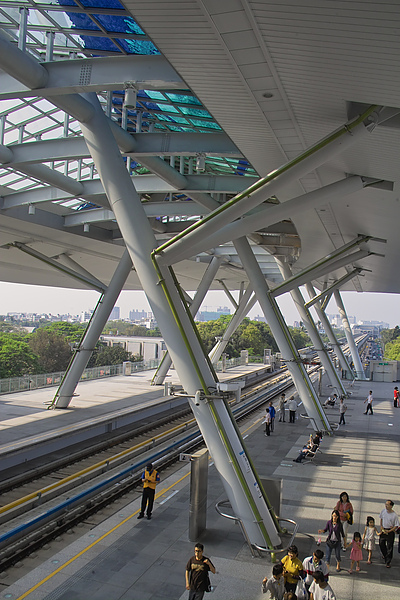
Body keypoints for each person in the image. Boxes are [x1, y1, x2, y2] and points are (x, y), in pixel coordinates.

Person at [379, 499, 399, 567]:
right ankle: (385, 555)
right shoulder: (383, 511)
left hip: (390, 531)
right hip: (384, 530)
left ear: (391, 506)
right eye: (385, 504)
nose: (386, 506)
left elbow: (396, 525)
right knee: (381, 543)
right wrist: (381, 527)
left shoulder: (394, 515)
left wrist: (390, 530)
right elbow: (381, 518)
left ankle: (388, 561)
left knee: (389, 546)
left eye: (387, 505)